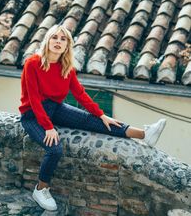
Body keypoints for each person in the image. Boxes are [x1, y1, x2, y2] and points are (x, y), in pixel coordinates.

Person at [19, 24, 166, 212]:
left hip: (55, 109)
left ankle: (145, 134)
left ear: (67, 46)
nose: (58, 41)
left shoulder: (66, 68)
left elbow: (80, 94)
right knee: (55, 150)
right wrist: (48, 127)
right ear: (48, 40)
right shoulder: (33, 63)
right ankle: (41, 188)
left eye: (63, 39)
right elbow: (34, 99)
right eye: (54, 37)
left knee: (95, 121)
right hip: (32, 115)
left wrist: (101, 114)